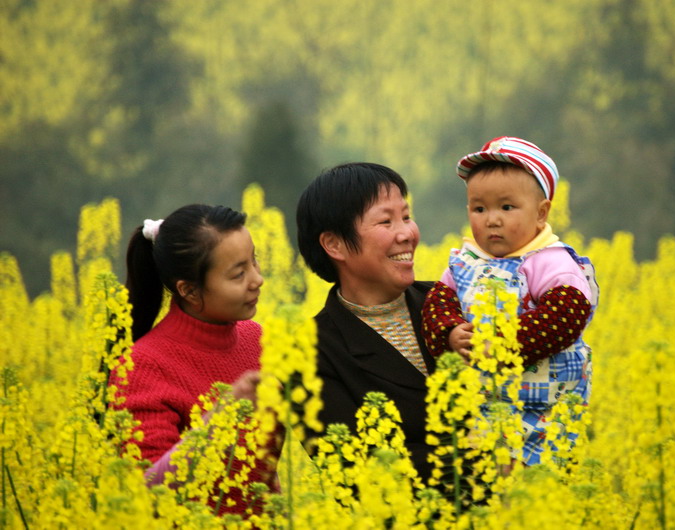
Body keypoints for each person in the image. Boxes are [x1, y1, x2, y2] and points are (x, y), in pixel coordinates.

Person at [421, 136, 599, 465]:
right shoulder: (465, 262)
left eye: (507, 207)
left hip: (542, 407)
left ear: (541, 213)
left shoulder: (549, 261)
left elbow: (567, 315)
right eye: (479, 208)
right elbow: (437, 304)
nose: (492, 219)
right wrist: (449, 332)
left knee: (528, 486)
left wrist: (503, 342)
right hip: (483, 406)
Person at [114, 204, 283, 514]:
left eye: (254, 261)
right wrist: (221, 418)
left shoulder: (257, 340)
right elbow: (146, 489)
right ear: (189, 291)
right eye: (238, 273)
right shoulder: (141, 367)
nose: (257, 279)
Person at [296, 162, 436, 479]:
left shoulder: (448, 300)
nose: (407, 233)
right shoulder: (307, 354)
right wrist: (482, 455)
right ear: (335, 244)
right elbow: (353, 470)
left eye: (407, 216)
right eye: (386, 221)